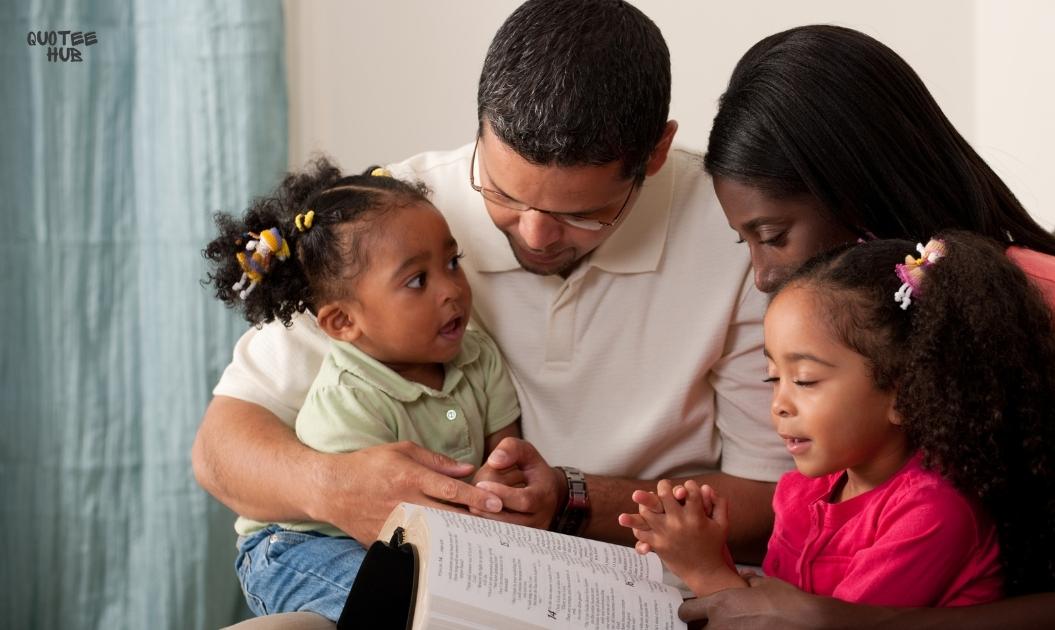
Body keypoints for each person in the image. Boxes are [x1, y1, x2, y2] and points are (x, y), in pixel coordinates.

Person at [192, 3, 789, 610]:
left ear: (656, 152)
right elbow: (221, 449)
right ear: (480, 127)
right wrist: (336, 487)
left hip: (638, 591)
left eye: (580, 214)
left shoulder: (734, 233)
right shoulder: (395, 222)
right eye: (502, 193)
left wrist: (570, 500)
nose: (534, 235)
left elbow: (771, 500)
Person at [680, 24, 1055, 629]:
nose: (762, 274)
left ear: (854, 191)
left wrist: (827, 622)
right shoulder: (844, 331)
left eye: (772, 237)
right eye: (745, 242)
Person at [622, 232, 1055, 607]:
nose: (780, 404)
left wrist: (706, 571)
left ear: (906, 394)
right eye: (773, 378)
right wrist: (707, 545)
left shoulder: (933, 514)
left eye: (804, 380)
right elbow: (775, 607)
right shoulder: (802, 492)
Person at [202, 160, 521, 621]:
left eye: (453, 262)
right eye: (417, 280)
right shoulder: (347, 397)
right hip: (299, 546)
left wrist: (499, 481)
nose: (451, 289)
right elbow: (375, 520)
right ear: (344, 322)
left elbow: (506, 450)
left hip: (404, 538)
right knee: (404, 601)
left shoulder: (477, 353)